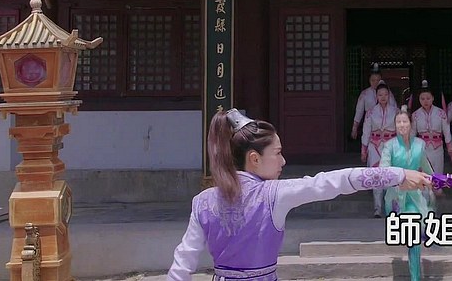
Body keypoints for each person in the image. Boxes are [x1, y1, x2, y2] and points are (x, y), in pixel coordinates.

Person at [166, 108, 431, 281]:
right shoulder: (274, 195)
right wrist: (399, 175)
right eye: (278, 153)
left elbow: (182, 265)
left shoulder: (203, 202)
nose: (283, 161)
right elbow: (335, 181)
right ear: (254, 159)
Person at [380, 105, 436, 281]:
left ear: (411, 124)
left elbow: (426, 167)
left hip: (414, 196)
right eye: (398, 122)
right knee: (410, 233)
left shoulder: (419, 145)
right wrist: (399, 179)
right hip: (396, 195)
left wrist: (438, 181)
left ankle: (415, 277)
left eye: (404, 121)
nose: (402, 125)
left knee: (414, 232)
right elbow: (383, 170)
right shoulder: (389, 146)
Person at [361, 81, 400, 217]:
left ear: (389, 96)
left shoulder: (396, 111)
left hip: (391, 145)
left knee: (391, 176)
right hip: (374, 146)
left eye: (385, 95)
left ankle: (392, 208)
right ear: (376, 96)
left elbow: (401, 130)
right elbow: (366, 131)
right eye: (380, 95)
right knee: (376, 176)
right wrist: (364, 149)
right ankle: (377, 208)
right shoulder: (370, 112)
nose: (383, 97)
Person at [411, 80, 452, 195]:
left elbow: (446, 131)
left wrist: (449, 147)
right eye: (422, 99)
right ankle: (426, 199)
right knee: (424, 174)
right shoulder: (415, 115)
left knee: (437, 173)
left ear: (433, 98)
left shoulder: (441, 113)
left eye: (428, 98)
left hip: (437, 147)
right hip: (422, 148)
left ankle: (437, 195)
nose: (425, 101)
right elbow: (413, 133)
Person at [351, 63, 397, 140]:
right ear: (369, 80)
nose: (376, 82)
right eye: (373, 80)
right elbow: (359, 112)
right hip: (371, 124)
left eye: (378, 80)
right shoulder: (365, 94)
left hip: (387, 127)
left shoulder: (387, 92)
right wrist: (354, 128)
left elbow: (394, 108)